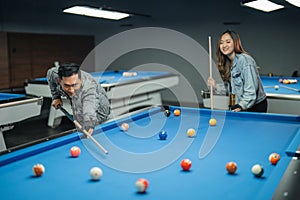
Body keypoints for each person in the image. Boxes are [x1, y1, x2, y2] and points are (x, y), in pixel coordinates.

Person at [208, 30, 267, 112]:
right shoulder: (227, 63)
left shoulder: (245, 60)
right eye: (221, 43)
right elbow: (231, 89)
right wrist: (215, 86)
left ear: (235, 43)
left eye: (228, 42)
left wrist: (241, 105)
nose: (224, 45)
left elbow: (251, 90)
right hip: (241, 105)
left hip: (255, 107)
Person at [47, 63, 110, 135]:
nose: (71, 90)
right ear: (59, 80)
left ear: (81, 80)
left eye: (74, 85)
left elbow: (89, 105)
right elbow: (50, 74)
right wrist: (56, 97)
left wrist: (89, 123)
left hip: (100, 111)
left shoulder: (88, 88)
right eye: (67, 85)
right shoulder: (54, 74)